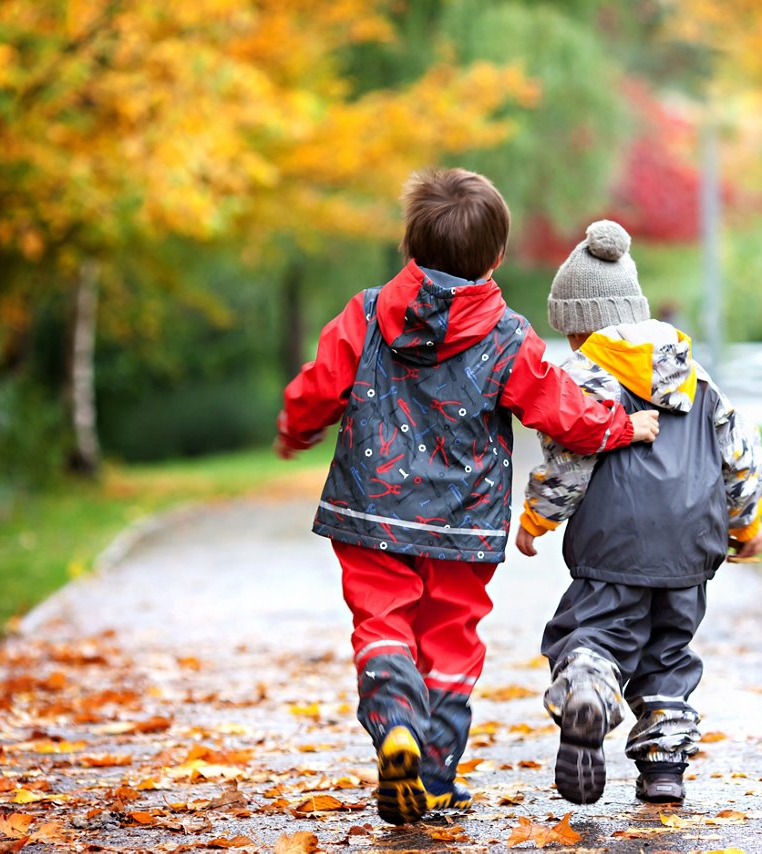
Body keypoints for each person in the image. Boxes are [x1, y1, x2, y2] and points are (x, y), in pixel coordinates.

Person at [275, 170, 660, 825]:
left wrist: (296, 428)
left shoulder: (366, 315)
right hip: (463, 525)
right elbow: (560, 410)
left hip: (370, 514)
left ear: (408, 247)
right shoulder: (507, 336)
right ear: (497, 257)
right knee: (450, 641)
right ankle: (433, 777)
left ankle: (395, 725)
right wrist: (623, 424)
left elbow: (317, 387)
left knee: (383, 627)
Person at [515, 220, 762, 806]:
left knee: (593, 635)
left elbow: (570, 462)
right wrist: (746, 524)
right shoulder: (696, 376)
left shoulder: (580, 378)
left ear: (579, 325)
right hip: (689, 550)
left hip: (613, 548)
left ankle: (588, 692)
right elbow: (739, 454)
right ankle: (663, 769)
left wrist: (536, 519)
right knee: (668, 655)